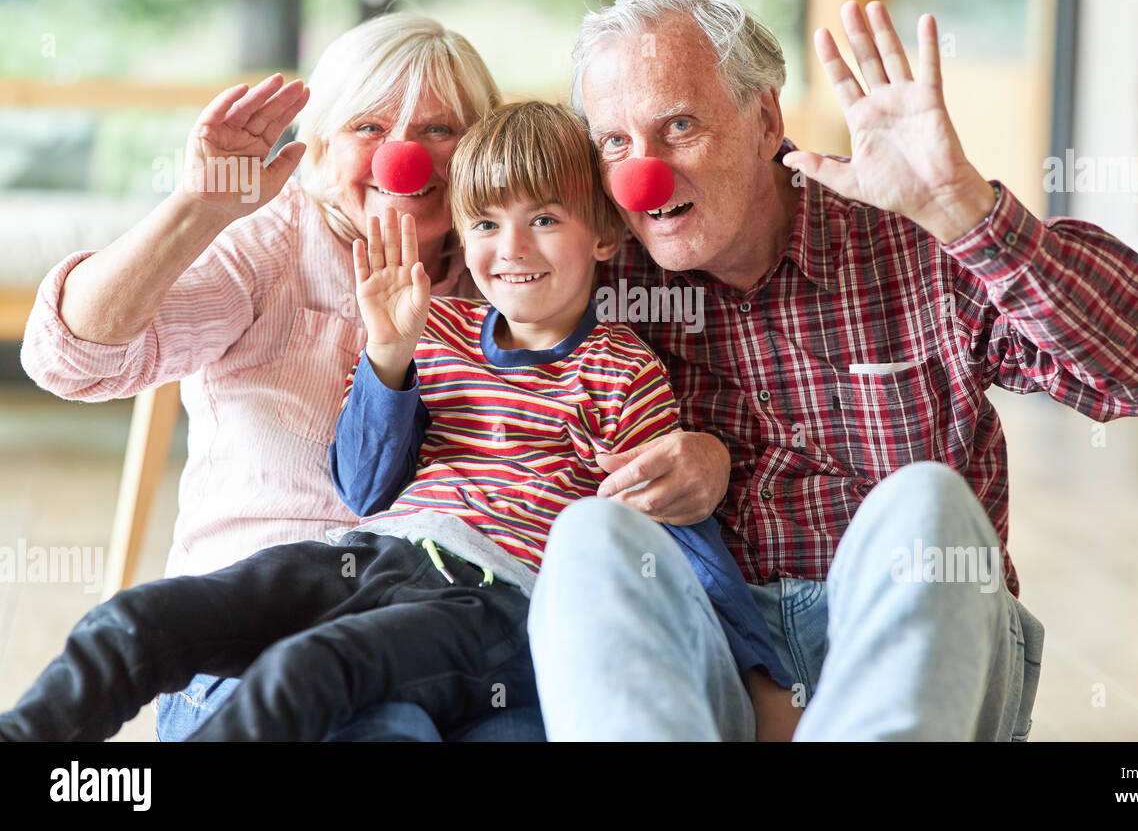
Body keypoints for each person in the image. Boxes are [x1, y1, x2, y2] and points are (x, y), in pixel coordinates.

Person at [525, 0, 1138, 740]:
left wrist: (964, 209)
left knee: (926, 505)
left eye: (679, 125)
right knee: (588, 538)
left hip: (919, 650)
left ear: (764, 119)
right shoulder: (596, 274)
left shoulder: (912, 231)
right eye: (615, 143)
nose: (642, 174)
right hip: (717, 662)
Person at [0, 101, 792, 742]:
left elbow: (680, 527)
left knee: (307, 673)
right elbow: (366, 486)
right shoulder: (440, 329)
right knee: (135, 621)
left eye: (545, 220)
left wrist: (760, 676)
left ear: (606, 236)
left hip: (494, 606)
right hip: (369, 555)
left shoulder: (621, 368)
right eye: (484, 224)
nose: (511, 248)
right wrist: (388, 356)